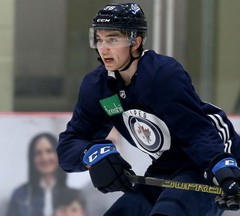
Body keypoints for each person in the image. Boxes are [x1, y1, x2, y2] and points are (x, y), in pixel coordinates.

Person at [57, 3, 240, 216]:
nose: (103, 48)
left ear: (136, 41)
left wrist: (224, 170)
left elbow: (197, 133)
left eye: (113, 39)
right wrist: (93, 155)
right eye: (99, 39)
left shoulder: (162, 75)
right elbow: (71, 142)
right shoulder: (99, 88)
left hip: (211, 160)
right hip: (167, 166)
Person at [6, 133, 82, 216]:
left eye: (49, 151)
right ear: (32, 159)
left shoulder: (75, 195)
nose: (44, 158)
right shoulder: (20, 195)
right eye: (38, 153)